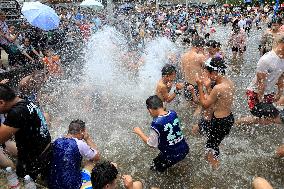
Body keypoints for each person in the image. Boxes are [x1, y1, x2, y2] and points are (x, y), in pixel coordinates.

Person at [0, 84, 51, 180]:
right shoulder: (24, 99)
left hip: (35, 161)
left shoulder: (17, 113)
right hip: (46, 149)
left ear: (1, 102)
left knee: (24, 179)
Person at [195, 57, 235, 168]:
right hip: (228, 119)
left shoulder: (218, 87)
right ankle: (217, 156)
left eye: (208, 73)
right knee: (215, 143)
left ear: (214, 73)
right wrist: (208, 87)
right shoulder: (229, 82)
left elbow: (205, 104)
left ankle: (216, 173)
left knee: (210, 151)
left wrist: (199, 85)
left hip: (220, 122)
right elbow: (216, 101)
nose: (207, 76)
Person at [236, 36, 284, 126]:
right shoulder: (266, 60)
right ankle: (238, 123)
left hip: (269, 93)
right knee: (279, 118)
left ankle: (239, 123)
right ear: (281, 45)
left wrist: (279, 93)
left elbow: (281, 77)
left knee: (265, 120)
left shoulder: (283, 59)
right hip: (255, 94)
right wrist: (261, 102)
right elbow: (260, 83)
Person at [133, 95, 189, 172]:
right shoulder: (173, 113)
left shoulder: (156, 124)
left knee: (154, 168)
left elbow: (151, 144)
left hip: (171, 155)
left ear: (150, 110)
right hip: (184, 149)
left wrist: (139, 132)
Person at [48, 119, 100, 189]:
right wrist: (87, 139)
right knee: (91, 161)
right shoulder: (79, 143)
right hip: (72, 186)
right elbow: (97, 156)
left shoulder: (56, 141)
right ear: (81, 131)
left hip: (52, 184)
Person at [181, 37, 206, 102]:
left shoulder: (183, 56)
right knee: (200, 107)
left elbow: (183, 72)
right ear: (200, 46)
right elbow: (207, 71)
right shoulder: (200, 56)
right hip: (197, 86)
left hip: (187, 85)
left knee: (189, 107)